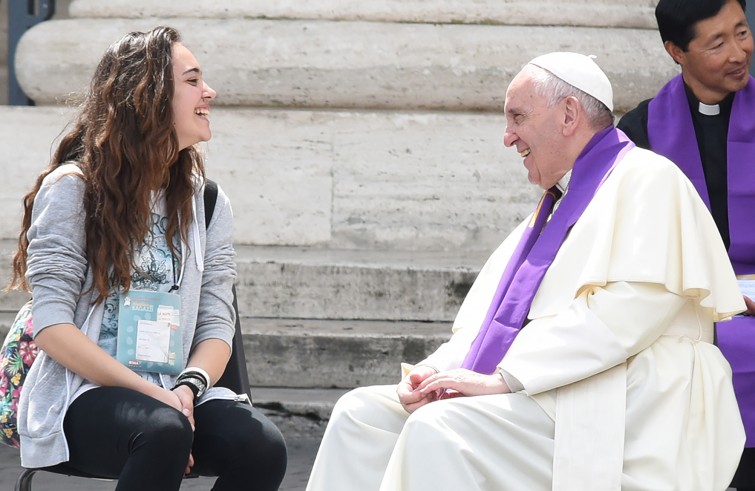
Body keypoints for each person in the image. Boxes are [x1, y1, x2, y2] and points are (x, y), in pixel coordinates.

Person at [305, 52, 746, 491]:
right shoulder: (552, 209)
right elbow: (488, 325)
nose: (507, 137)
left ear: (569, 114)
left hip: (625, 400)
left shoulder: (649, 179)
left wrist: (503, 379)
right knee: (360, 415)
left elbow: (625, 314)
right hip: (548, 388)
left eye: (517, 117)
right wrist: (432, 374)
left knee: (442, 428)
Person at [6, 26, 287, 491]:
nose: (209, 92)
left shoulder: (208, 203)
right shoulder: (73, 190)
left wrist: (185, 389)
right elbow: (53, 328)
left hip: (177, 389)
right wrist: (151, 395)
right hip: (83, 393)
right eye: (193, 81)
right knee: (162, 430)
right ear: (150, 97)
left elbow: (218, 321)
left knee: (262, 445)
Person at [617, 0, 755, 486]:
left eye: (742, 32)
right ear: (676, 51)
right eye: (718, 43)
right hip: (682, 304)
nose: (740, 52)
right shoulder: (638, 135)